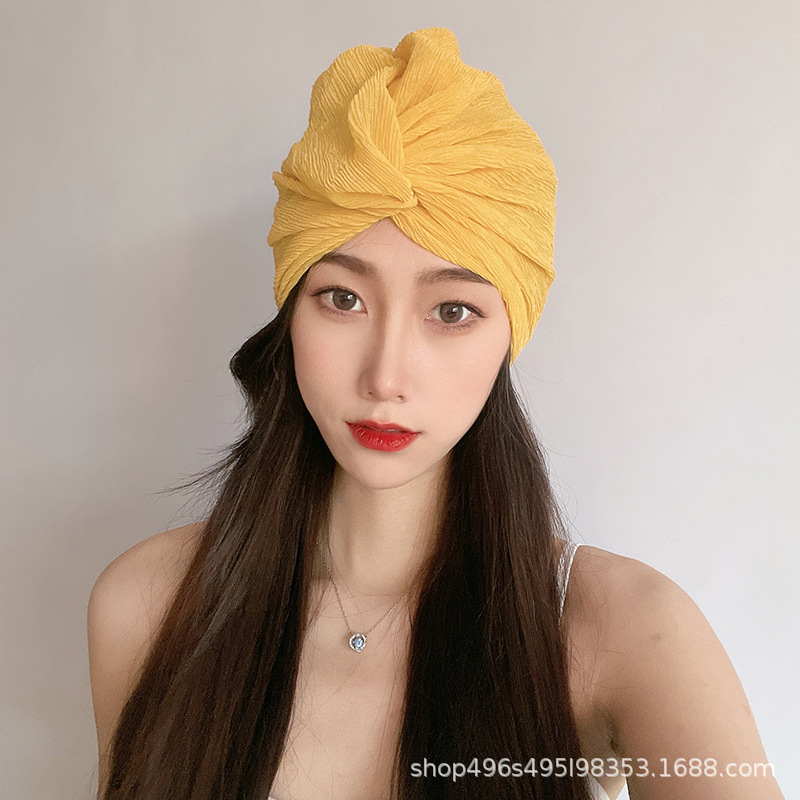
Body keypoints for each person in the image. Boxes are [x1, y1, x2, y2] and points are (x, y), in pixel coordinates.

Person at [86, 27, 784, 800]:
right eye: (342, 298)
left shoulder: (625, 629)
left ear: (509, 334)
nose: (385, 377)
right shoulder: (146, 605)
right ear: (291, 316)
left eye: (452, 311)